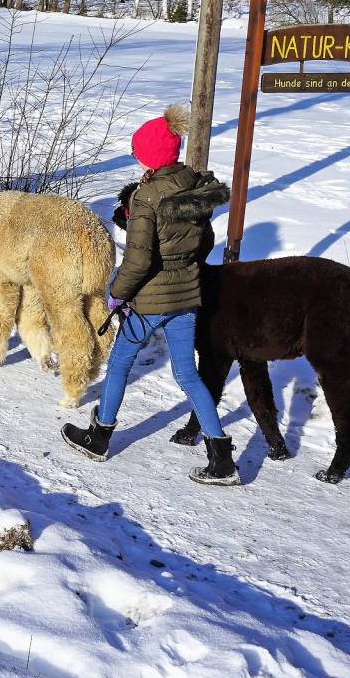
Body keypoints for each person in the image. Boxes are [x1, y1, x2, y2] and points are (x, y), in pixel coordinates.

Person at [60, 105, 233, 481]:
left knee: (120, 363)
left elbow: (138, 259)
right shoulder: (194, 187)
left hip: (150, 300)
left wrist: (117, 294)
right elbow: (205, 241)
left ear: (149, 156)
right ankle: (221, 457)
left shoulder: (148, 199)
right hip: (186, 296)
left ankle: (100, 437)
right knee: (187, 374)